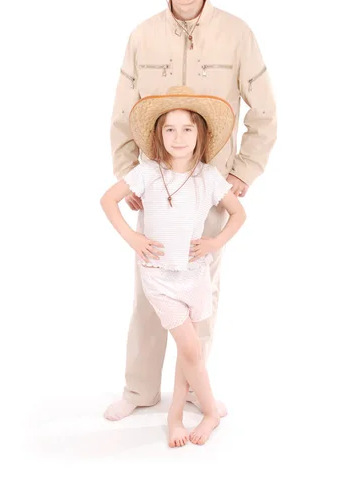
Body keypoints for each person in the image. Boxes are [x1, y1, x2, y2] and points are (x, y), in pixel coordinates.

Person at [106, 0, 277, 421]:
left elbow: (264, 112)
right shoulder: (142, 36)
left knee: (202, 293)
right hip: (155, 189)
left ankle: (195, 390)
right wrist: (127, 172)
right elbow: (122, 113)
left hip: (210, 188)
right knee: (149, 289)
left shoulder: (238, 34)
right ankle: (139, 390)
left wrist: (243, 171)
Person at [100, 86, 246, 446]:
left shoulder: (208, 177)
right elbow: (107, 200)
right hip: (160, 279)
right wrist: (133, 239)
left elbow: (239, 213)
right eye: (170, 129)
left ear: (201, 134)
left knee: (189, 350)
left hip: (194, 275)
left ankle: (179, 414)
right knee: (191, 348)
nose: (178, 137)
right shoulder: (147, 173)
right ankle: (198, 413)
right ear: (158, 135)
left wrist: (215, 242)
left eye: (187, 129)